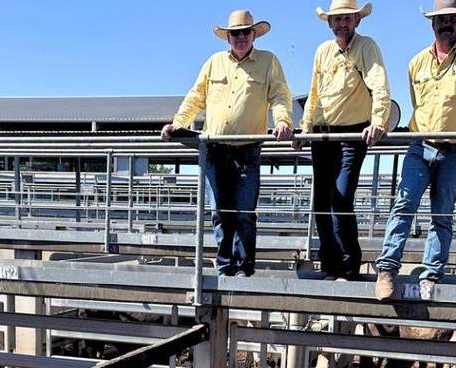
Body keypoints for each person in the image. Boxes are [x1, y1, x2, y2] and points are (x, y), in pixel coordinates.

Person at [373, 0, 456, 300]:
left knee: (441, 214)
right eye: (440, 19)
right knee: (403, 204)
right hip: (420, 144)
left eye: (451, 18)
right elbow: (417, 104)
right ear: (432, 23)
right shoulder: (417, 62)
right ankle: (387, 269)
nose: (445, 23)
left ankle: (432, 273)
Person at [163, 10, 294, 277]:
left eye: (245, 32)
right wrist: (179, 122)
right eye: (235, 33)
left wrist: (282, 120)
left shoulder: (268, 62)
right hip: (216, 147)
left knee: (245, 211)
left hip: (248, 148)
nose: (240, 37)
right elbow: (196, 96)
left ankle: (245, 268)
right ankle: (225, 266)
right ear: (228, 37)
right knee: (220, 212)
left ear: (254, 34)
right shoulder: (214, 62)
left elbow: (280, 95)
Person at [295, 0, 392, 282]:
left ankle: (349, 266)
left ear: (357, 21)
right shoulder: (323, 52)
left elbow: (379, 84)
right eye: (337, 19)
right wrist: (305, 128)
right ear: (329, 23)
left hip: (352, 134)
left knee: (341, 197)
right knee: (322, 201)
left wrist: (378, 122)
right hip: (322, 134)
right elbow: (314, 93)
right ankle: (330, 264)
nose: (342, 24)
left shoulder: (366, 47)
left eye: (347, 19)